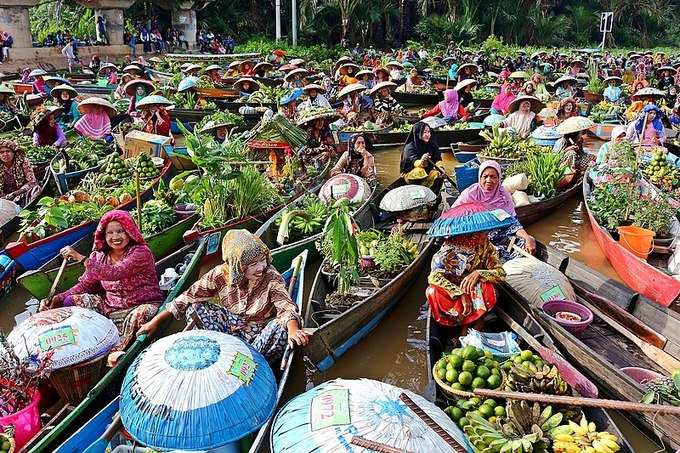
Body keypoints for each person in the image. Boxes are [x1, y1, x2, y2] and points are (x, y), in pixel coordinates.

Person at [137, 230, 309, 363]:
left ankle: (257, 364)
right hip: (231, 329)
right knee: (196, 307)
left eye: (262, 260)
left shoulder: (271, 276)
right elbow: (189, 296)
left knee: (282, 328)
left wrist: (294, 330)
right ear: (237, 265)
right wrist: (156, 321)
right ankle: (224, 352)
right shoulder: (221, 274)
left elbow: (285, 306)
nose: (261, 267)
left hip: (259, 336)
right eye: (252, 264)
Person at [42, 210, 163, 351]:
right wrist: (58, 298)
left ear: (129, 232)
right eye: (110, 233)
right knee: (70, 302)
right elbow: (85, 285)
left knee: (142, 315)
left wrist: (80, 258)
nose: (115, 237)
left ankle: (117, 349)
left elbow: (115, 272)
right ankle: (91, 342)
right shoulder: (99, 257)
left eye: (120, 231)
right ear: (103, 236)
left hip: (141, 305)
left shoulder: (141, 253)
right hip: (110, 307)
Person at [453, 161, 536, 261]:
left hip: (498, 235)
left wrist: (527, 238)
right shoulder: (470, 194)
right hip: (474, 236)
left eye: (493, 177)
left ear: (499, 179)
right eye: (485, 176)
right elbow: (453, 217)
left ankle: (499, 260)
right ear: (480, 177)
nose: (489, 180)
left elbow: (512, 223)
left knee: (526, 242)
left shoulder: (503, 195)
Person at [426, 223, 506, 327]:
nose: (487, 236)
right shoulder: (448, 250)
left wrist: (479, 273)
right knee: (432, 291)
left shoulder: (486, 246)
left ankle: (477, 326)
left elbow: (501, 273)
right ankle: (458, 324)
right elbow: (433, 277)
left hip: (473, 289)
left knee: (487, 286)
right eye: (484, 233)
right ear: (473, 234)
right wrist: (460, 293)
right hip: (453, 293)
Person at [400, 122, 443, 189]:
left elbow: (437, 159)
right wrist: (422, 161)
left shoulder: (433, 145)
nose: (427, 134)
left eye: (428, 132)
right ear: (417, 133)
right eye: (424, 132)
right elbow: (414, 162)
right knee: (419, 171)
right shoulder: (409, 147)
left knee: (438, 174)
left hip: (428, 173)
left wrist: (440, 168)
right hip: (412, 175)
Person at [0, 139, 39, 204]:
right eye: (1, 152)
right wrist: (5, 197)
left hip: (22, 192)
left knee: (36, 189)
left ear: (13, 152)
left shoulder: (22, 161)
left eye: (8, 151)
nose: (5, 154)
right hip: (5, 197)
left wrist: (15, 194)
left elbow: (32, 181)